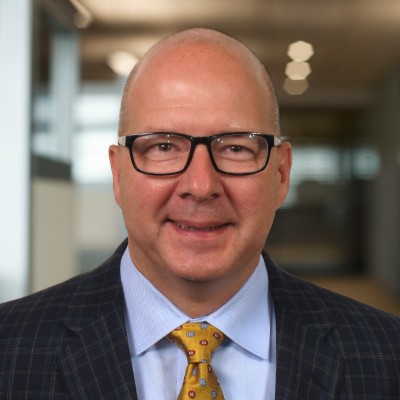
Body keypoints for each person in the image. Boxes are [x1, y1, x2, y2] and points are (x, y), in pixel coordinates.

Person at [0, 28, 399, 400]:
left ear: (281, 174)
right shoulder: (9, 348)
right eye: (163, 147)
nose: (201, 185)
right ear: (118, 174)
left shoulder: (388, 355)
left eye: (236, 148)